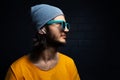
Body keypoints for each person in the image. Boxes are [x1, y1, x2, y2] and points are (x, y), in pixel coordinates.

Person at [5, 4, 80, 80]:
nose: (66, 30)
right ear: (42, 29)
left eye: (66, 25)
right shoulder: (17, 70)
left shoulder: (69, 64)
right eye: (60, 24)